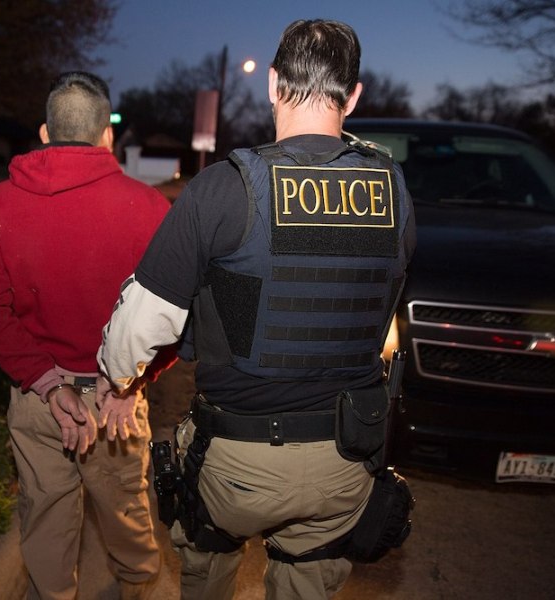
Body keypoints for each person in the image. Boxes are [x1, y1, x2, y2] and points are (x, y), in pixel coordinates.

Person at [96, 19, 416, 600]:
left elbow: (141, 326)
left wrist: (117, 381)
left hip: (236, 463)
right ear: (353, 96)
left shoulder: (224, 187)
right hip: (347, 458)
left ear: (272, 83)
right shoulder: (394, 191)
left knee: (207, 559)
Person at [0, 71, 171, 600]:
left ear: (44, 132)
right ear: (108, 136)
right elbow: (175, 315)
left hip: (40, 399)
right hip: (115, 404)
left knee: (46, 523)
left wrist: (47, 382)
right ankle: (139, 590)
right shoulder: (149, 208)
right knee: (127, 519)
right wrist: (128, 382)